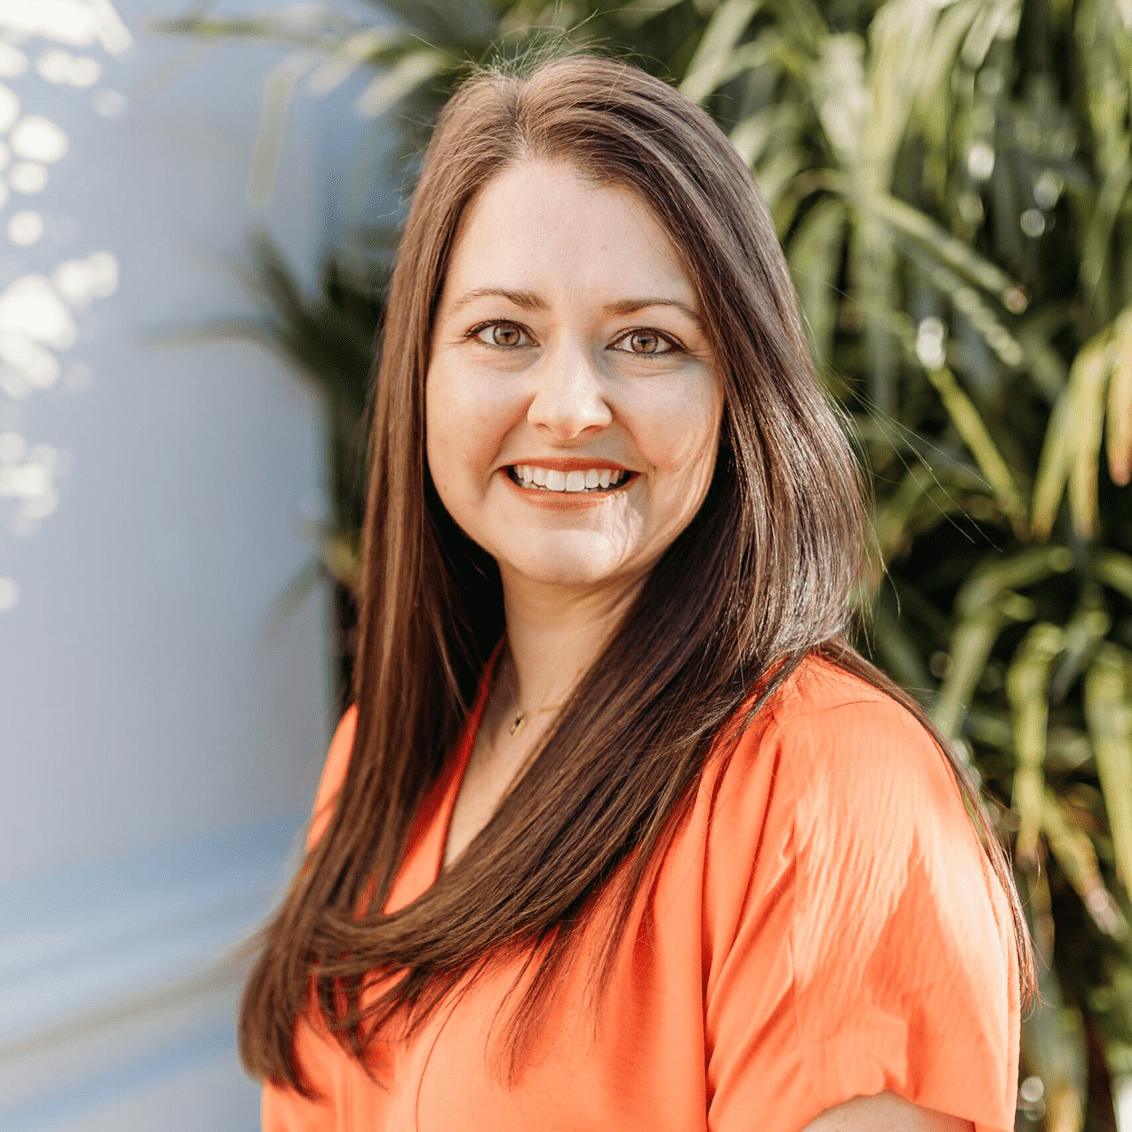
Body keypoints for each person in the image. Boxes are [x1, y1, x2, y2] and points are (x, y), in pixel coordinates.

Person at [239, 50, 1033, 1132]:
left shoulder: (833, 789)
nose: (569, 404)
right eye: (503, 333)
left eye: (648, 341)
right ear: (421, 371)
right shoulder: (384, 750)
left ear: (737, 391)